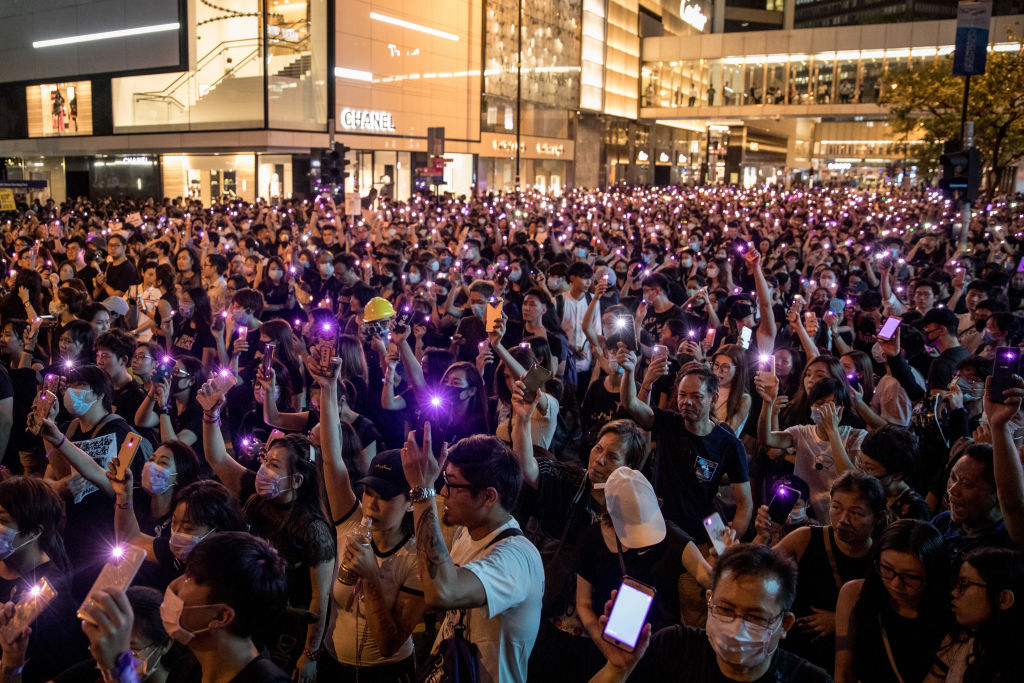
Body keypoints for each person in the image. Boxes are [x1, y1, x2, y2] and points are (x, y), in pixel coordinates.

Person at [311, 352, 425, 681]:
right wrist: (328, 389)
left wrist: (372, 578)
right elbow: (333, 460)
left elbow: (389, 643)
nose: (372, 504)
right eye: (369, 493)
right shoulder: (351, 522)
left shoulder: (414, 560)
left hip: (385, 673)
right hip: (334, 665)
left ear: (408, 503)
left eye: (386, 497)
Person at [400, 426, 544, 683]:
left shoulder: (517, 560)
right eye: (442, 481)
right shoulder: (467, 532)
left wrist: (423, 490)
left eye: (451, 484)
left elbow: (441, 591)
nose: (443, 492)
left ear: (488, 496)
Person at [585, 544, 832, 683]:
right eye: (725, 609)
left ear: (784, 624)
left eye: (755, 617)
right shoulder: (674, 647)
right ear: (709, 600)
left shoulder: (810, 681)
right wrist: (617, 670)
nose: (737, 628)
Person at [757, 470, 885, 672]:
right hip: (791, 656)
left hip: (846, 663)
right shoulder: (805, 538)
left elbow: (889, 619)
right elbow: (757, 570)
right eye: (836, 507)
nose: (843, 519)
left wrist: (841, 622)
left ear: (878, 517)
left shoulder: (883, 559)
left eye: (856, 513)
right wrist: (763, 535)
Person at [835, 519, 950, 683]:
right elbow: (843, 674)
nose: (896, 584)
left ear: (933, 575)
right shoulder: (854, 595)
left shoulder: (949, 616)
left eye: (911, 577)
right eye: (887, 569)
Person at [927, 547, 1024, 683]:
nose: (954, 592)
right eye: (957, 584)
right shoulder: (960, 638)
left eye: (964, 584)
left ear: (1003, 599)